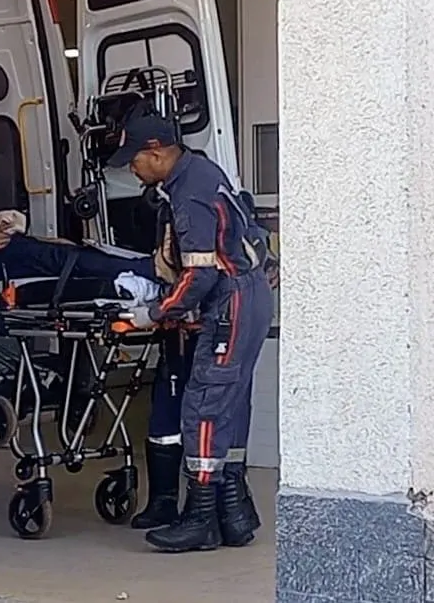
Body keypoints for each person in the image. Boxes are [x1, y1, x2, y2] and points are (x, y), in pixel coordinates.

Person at [105, 112, 274, 553]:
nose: (133, 170)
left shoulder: (189, 193)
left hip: (229, 302)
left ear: (156, 151)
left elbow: (198, 275)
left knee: (202, 407)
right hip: (249, 296)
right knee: (230, 404)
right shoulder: (202, 170)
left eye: (135, 160)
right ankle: (233, 513)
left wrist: (154, 313)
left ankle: (200, 518)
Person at [0, 149, 155, 283]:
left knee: (69, 254)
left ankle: (146, 266)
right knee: (65, 260)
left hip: (3, 245)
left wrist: (48, 240)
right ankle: (146, 269)